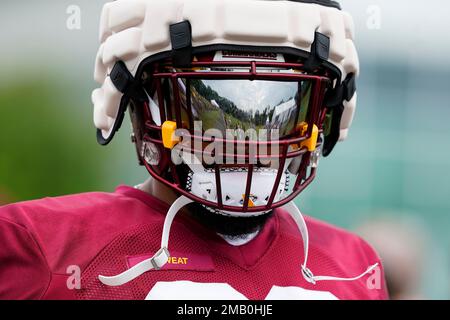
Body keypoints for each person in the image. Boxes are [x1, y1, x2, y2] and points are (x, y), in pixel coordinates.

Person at [0, 0, 388, 300]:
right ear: (139, 101)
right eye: (213, 102)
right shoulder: (37, 244)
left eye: (277, 108)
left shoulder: (354, 266)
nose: (245, 142)